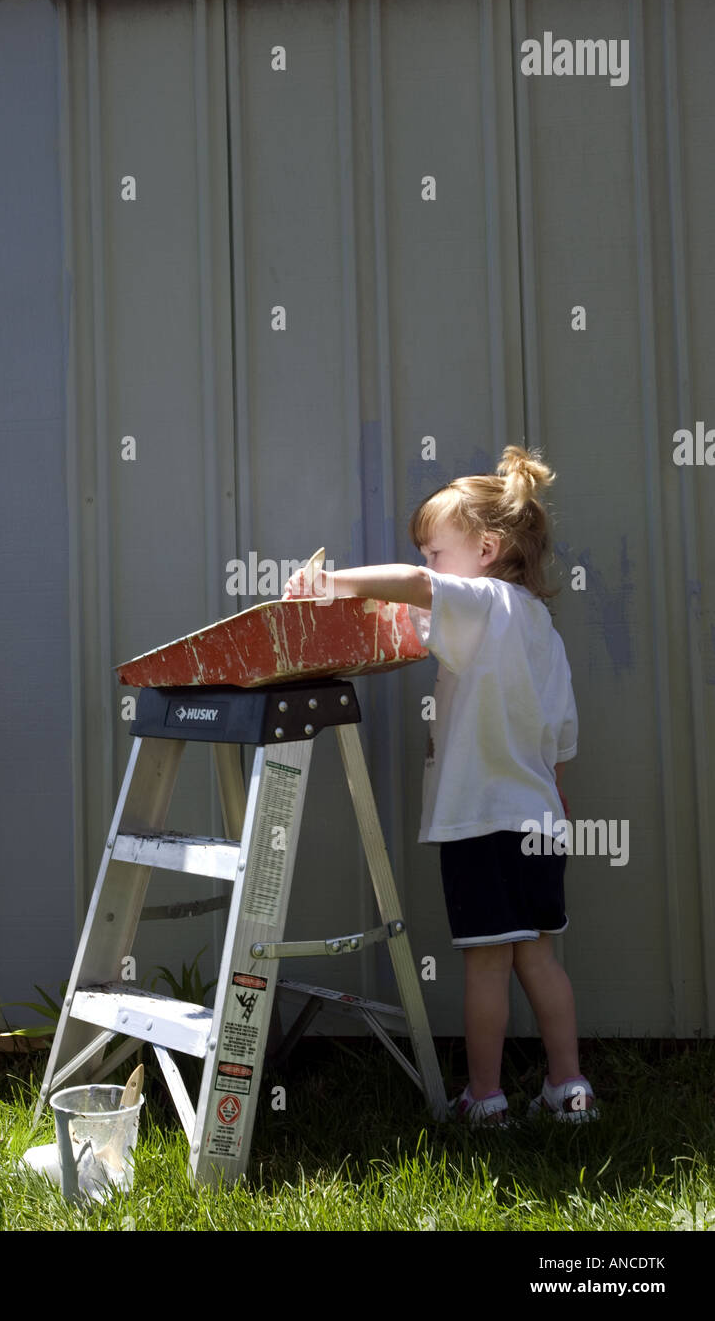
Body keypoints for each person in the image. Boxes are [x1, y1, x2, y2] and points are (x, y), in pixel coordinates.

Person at [281, 445, 598, 1128]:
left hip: (482, 821)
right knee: (540, 961)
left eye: (436, 552)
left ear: (486, 549)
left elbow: (412, 589)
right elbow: (563, 738)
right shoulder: (541, 628)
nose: (427, 566)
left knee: (486, 966)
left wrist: (329, 585)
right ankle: (569, 1088)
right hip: (539, 819)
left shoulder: (480, 602)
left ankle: (484, 1099)